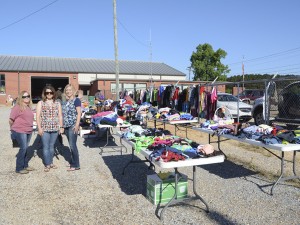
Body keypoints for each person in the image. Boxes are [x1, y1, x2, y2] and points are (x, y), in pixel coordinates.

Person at [36, 85, 63, 172]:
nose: (49, 94)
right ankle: (47, 164)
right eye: (47, 93)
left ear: (53, 93)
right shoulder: (40, 103)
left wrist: (61, 127)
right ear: (44, 93)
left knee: (52, 146)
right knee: (46, 146)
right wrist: (39, 128)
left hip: (55, 128)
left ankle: (51, 162)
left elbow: (60, 116)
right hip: (45, 128)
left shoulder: (57, 103)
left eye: (51, 92)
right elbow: (38, 116)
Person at [9, 91, 34, 174]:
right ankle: (19, 168)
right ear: (21, 98)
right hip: (20, 130)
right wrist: (12, 129)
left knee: (26, 148)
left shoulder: (28, 107)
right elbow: (11, 119)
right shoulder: (17, 107)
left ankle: (25, 165)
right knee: (23, 148)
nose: (27, 97)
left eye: (28, 96)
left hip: (29, 130)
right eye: (24, 96)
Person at [62, 84, 81, 171]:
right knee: (71, 145)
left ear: (73, 91)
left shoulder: (76, 100)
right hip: (66, 126)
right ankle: (73, 162)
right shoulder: (66, 101)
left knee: (73, 146)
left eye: (70, 90)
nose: (68, 91)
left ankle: (76, 165)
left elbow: (79, 113)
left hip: (73, 126)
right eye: (67, 90)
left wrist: (77, 125)